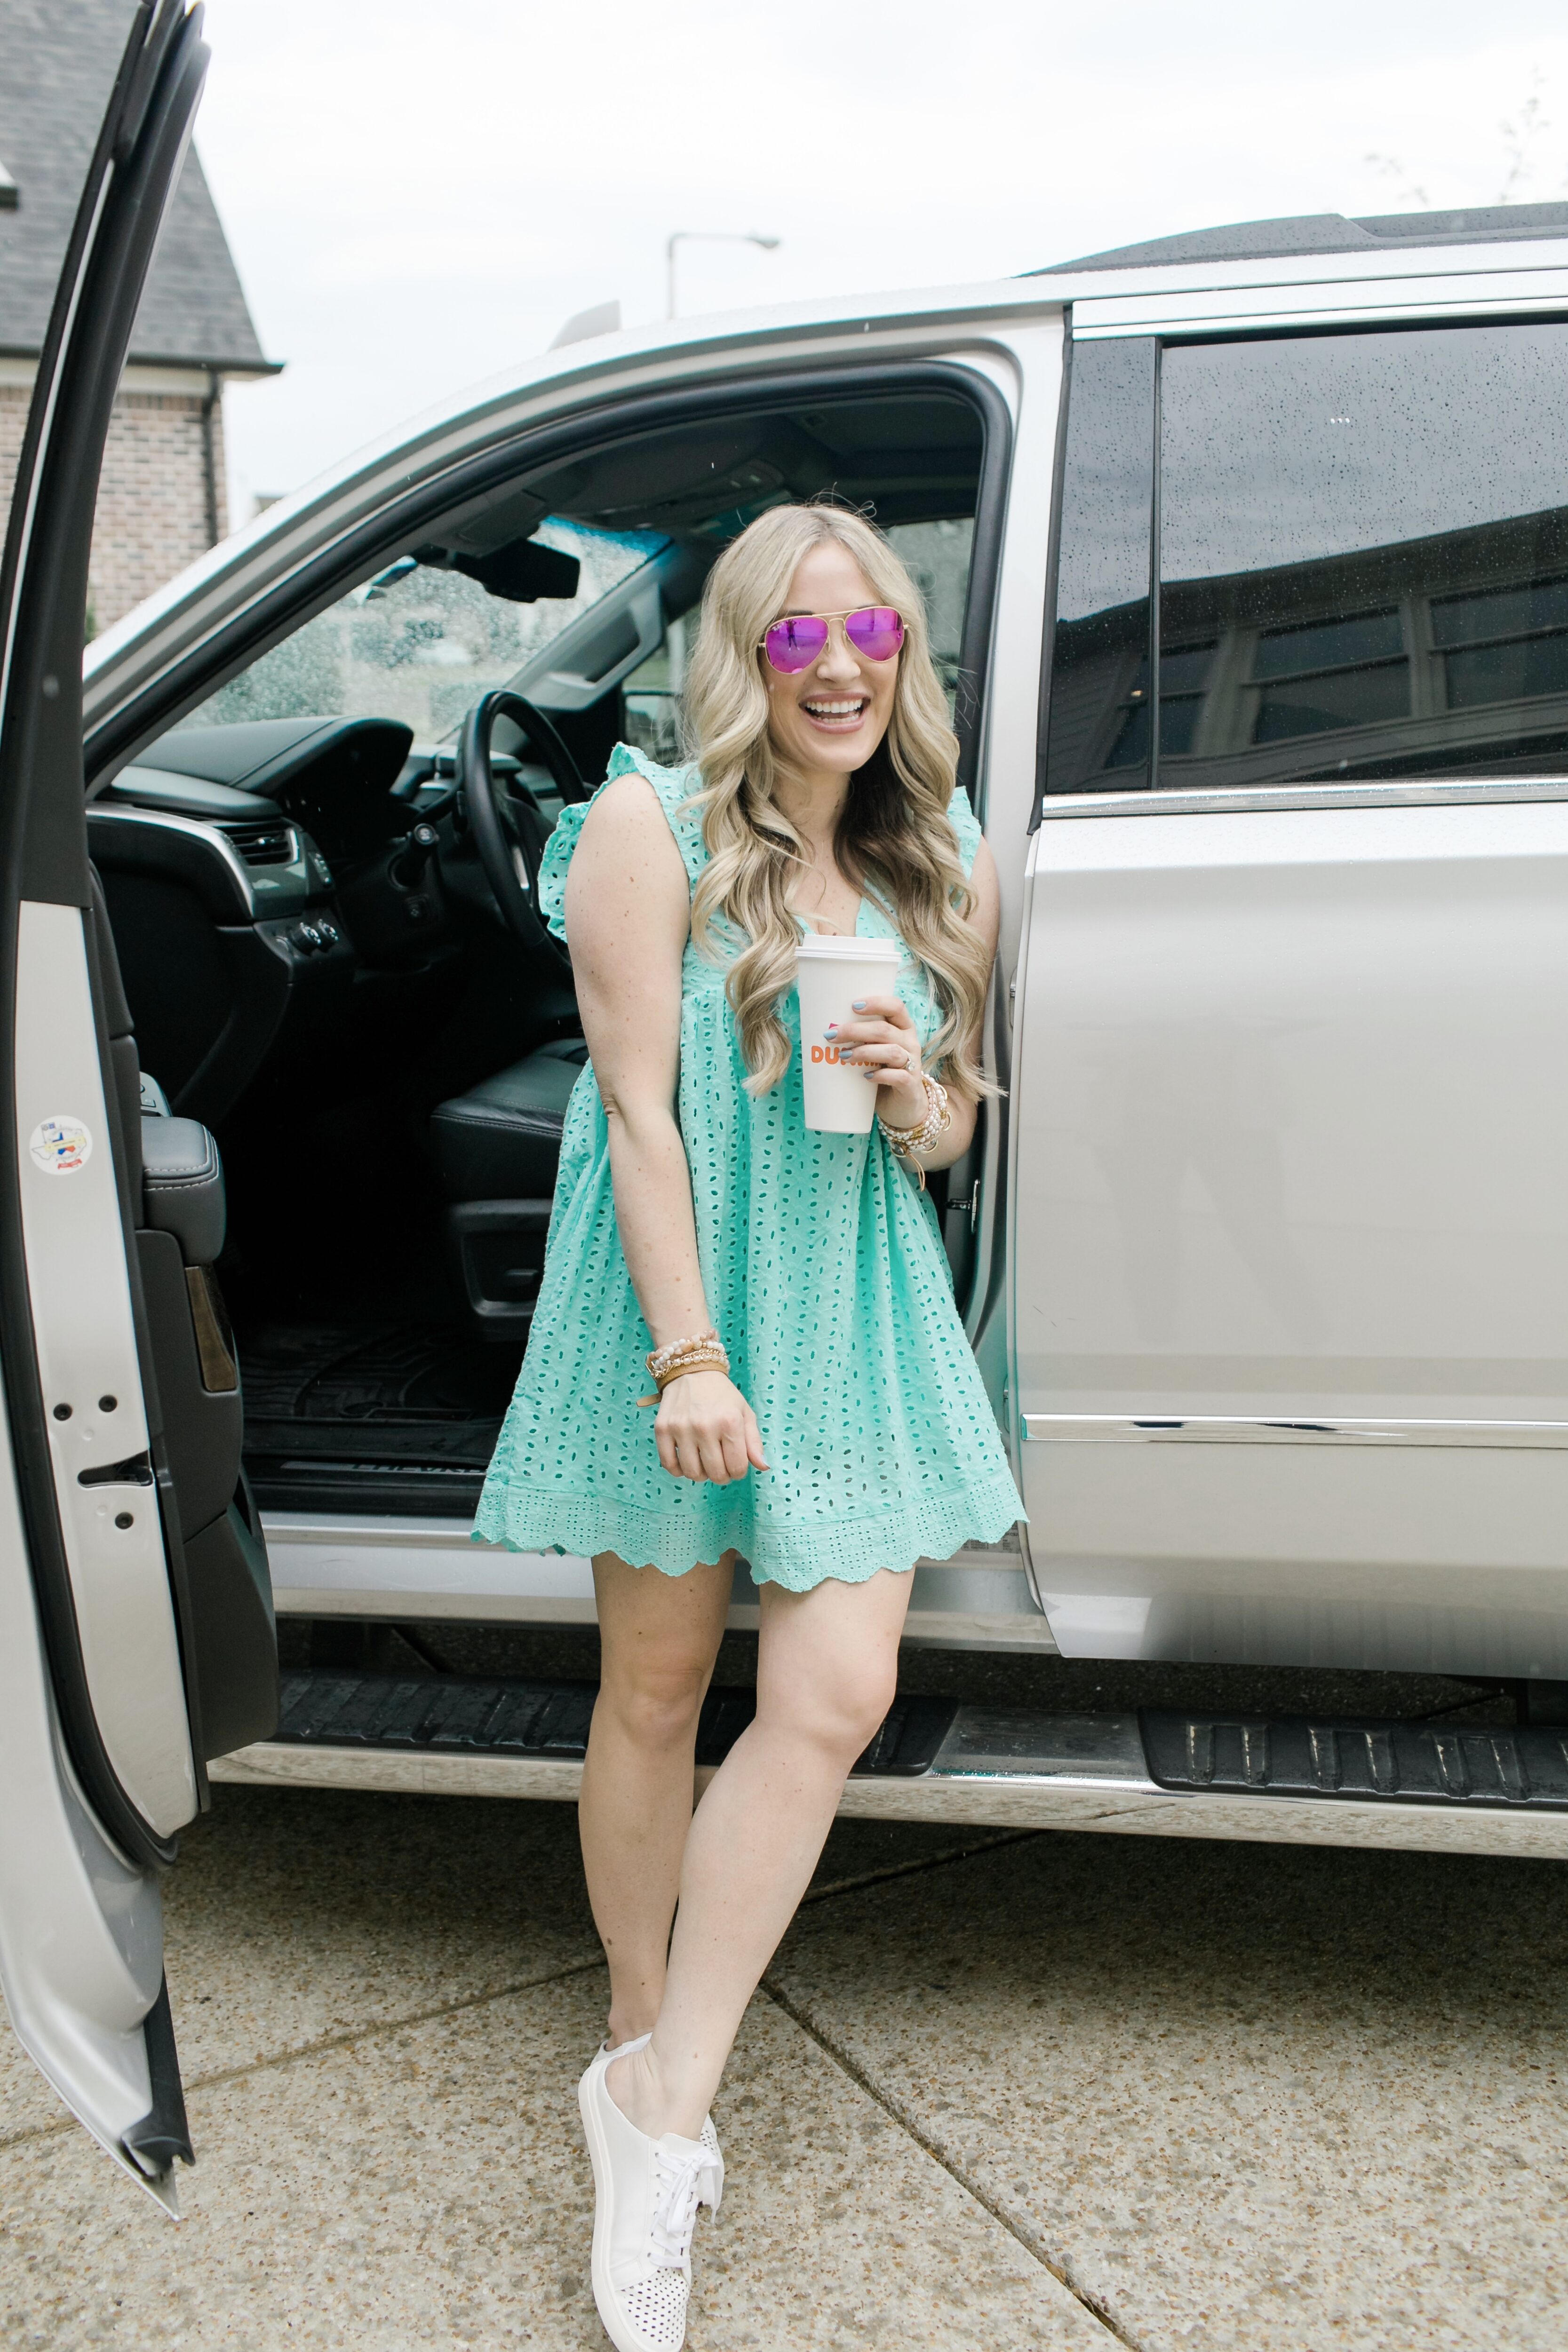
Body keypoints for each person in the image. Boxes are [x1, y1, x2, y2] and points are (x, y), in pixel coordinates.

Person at [475, 499, 1023, 2352]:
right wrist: (687, 1356)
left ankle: (662, 2101)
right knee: (651, 1683)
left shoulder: (939, 851)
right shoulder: (646, 824)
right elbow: (637, 1112)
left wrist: (914, 1082)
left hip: (855, 1298)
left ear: (906, 655)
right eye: (803, 637)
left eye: (874, 633)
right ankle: (640, 2031)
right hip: (682, 1286)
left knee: (837, 1689)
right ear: (744, 655)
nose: (846, 666)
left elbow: (947, 1136)